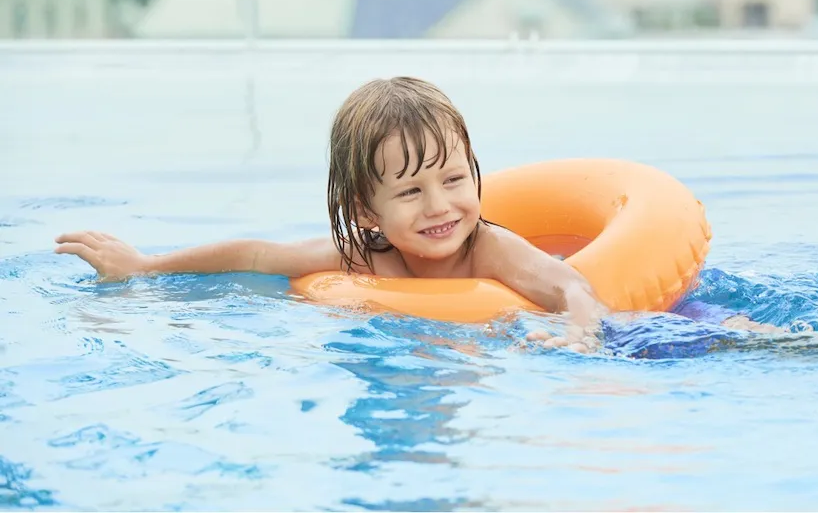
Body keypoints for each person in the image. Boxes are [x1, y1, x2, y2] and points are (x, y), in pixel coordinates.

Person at [54, 77, 608, 352]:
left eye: (454, 179)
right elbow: (256, 255)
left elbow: (571, 286)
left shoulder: (489, 250)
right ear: (366, 211)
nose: (439, 206)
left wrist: (580, 331)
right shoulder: (363, 257)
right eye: (411, 192)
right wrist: (146, 267)